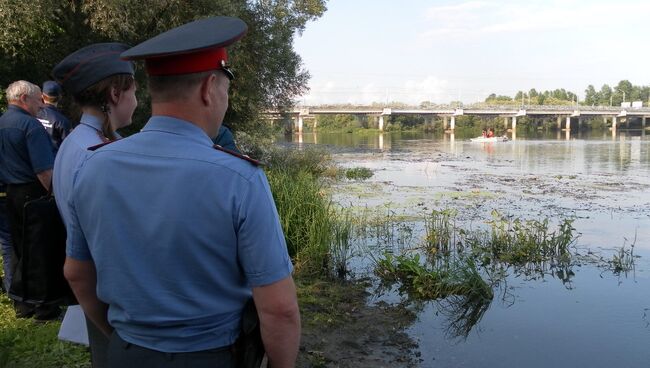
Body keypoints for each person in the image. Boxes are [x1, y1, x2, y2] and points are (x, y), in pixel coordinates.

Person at [63, 16, 300, 368]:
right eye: (226, 87)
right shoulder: (239, 178)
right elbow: (279, 309)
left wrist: (123, 342)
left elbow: (77, 274)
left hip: (126, 354)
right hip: (214, 357)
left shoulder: (93, 167)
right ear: (209, 89)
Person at [52, 42, 137, 368]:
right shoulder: (100, 155)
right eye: (133, 90)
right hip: (111, 297)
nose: (136, 100)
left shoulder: (77, 142)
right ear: (115, 93)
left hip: (96, 285)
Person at [0, 80, 60, 319]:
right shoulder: (30, 126)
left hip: (8, 193)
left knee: (16, 249)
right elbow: (44, 170)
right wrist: (56, 196)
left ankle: (21, 304)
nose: (41, 104)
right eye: (37, 100)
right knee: (40, 249)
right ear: (24, 98)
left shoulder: (2, 122)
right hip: (32, 194)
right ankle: (45, 306)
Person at [37, 80, 72, 153]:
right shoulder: (62, 121)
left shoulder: (33, 114)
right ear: (60, 97)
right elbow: (68, 147)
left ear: (42, 96)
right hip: (54, 161)